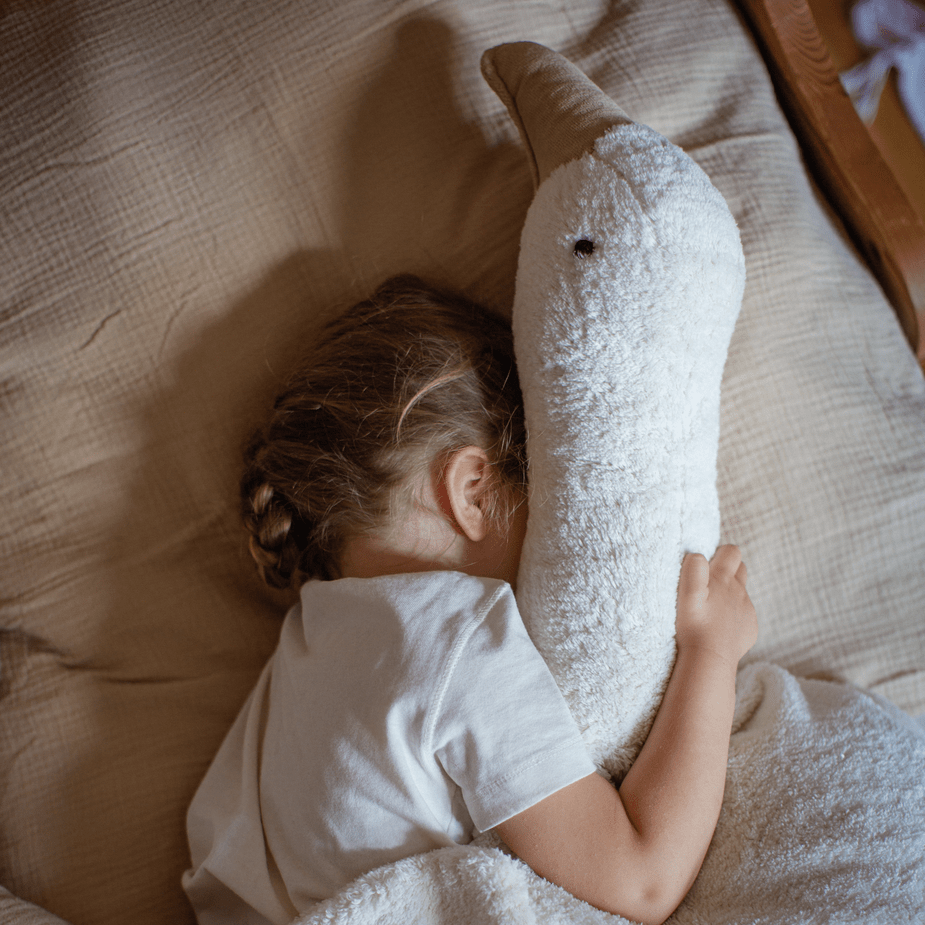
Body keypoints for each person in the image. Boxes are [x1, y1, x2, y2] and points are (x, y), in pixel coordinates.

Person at [182, 275, 758, 925]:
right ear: (476, 492)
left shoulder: (298, 649)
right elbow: (640, 881)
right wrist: (711, 653)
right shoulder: (459, 637)